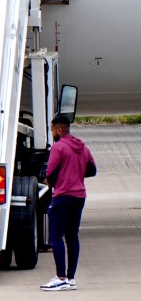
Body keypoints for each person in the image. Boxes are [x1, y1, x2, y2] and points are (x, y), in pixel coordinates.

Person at [40, 115, 97, 291]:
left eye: (52, 130)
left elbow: (50, 174)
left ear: (59, 130)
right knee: (72, 236)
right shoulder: (82, 147)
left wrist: (54, 180)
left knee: (56, 236)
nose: (52, 134)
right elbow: (92, 170)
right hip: (79, 196)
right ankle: (71, 278)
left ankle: (60, 277)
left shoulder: (59, 147)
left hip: (63, 195)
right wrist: (75, 174)